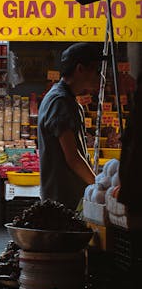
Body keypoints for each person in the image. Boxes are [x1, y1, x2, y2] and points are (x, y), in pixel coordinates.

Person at [38, 42, 103, 210]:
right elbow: (72, 158)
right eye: (96, 70)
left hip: (67, 198)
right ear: (80, 69)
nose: (100, 76)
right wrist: (100, 187)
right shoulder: (60, 102)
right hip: (62, 200)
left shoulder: (67, 99)